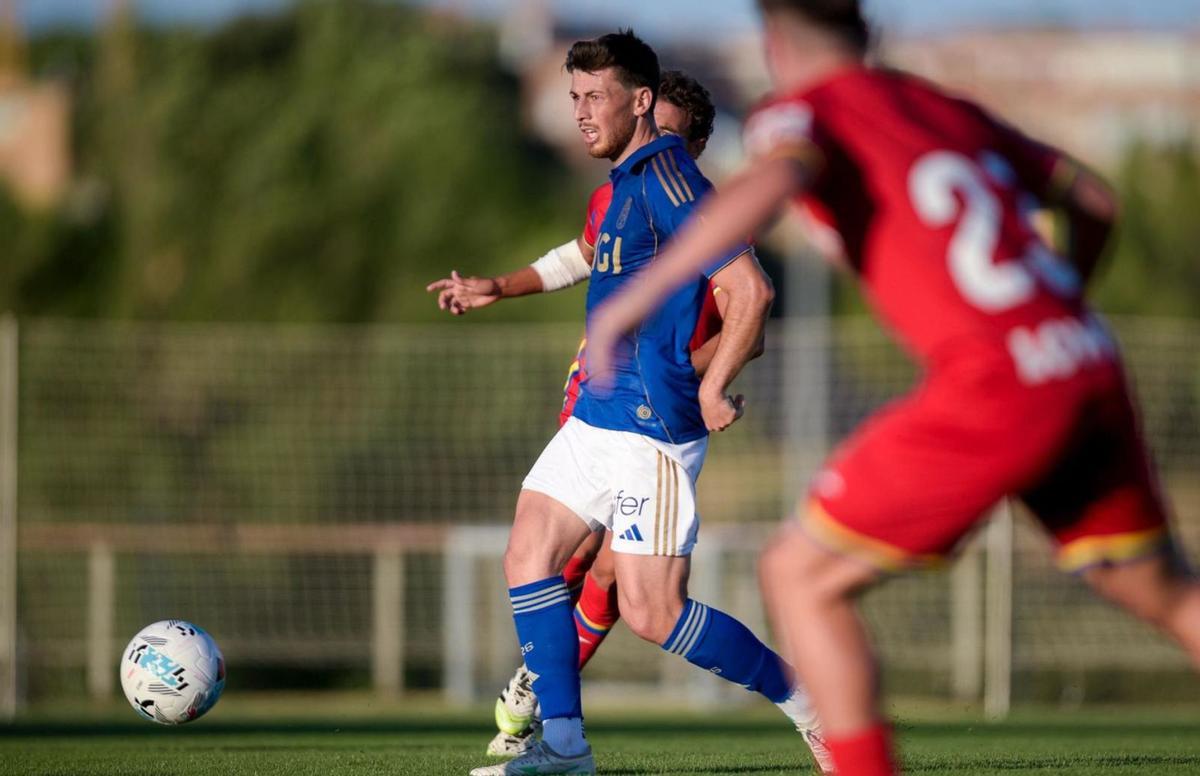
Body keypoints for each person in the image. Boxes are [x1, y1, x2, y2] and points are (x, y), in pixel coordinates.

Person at [583, 3, 1200, 775]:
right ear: (867, 32)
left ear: (775, 41)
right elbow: (1097, 202)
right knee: (1164, 591)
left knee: (798, 575)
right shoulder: (944, 107)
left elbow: (775, 177)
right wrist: (1054, 311)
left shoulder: (803, 112)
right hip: (1085, 359)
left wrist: (638, 300)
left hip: (999, 383)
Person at [445, 29, 828, 776]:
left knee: (652, 611)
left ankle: (813, 706)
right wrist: (500, 285)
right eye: (575, 98)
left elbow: (750, 290)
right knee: (530, 550)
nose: (581, 113)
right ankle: (562, 749)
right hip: (597, 415)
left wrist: (710, 385)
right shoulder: (623, 185)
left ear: (641, 102)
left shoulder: (670, 181)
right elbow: (584, 258)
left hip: (651, 430)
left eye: (596, 97)